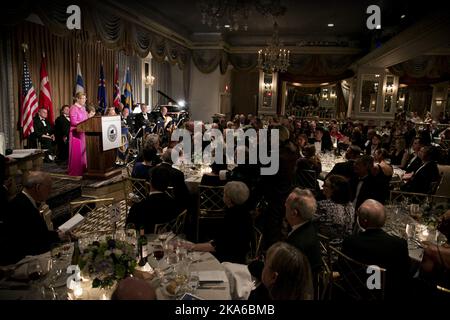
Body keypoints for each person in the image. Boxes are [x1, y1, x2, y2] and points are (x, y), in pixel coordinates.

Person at [342, 199, 411, 299]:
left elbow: (343, 268)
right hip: (388, 294)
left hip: (355, 291)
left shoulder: (350, 242)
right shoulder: (399, 244)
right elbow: (404, 275)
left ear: (363, 221)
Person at [1, 171, 71, 264]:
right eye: (49, 187)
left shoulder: (24, 200)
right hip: (22, 261)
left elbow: (36, 233)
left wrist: (57, 234)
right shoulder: (21, 207)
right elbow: (34, 241)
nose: (51, 191)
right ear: (38, 188)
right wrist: (58, 237)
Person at [189, 181, 253, 264]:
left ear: (229, 199)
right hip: (239, 253)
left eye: (224, 194)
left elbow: (217, 246)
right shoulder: (244, 211)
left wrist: (191, 247)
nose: (223, 196)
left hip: (229, 260)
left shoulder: (232, 217)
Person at [284, 188, 322, 274]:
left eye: (287, 203)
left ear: (294, 213)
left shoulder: (296, 244)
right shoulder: (310, 227)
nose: (284, 205)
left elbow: (284, 276)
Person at [315, 175, 354, 243]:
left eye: (325, 185)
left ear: (334, 190)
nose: (322, 186)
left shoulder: (322, 205)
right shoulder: (351, 206)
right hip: (346, 246)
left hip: (326, 248)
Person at [68, 92, 88, 176]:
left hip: (83, 132)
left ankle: (84, 168)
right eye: (82, 98)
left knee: (83, 152)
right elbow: (73, 121)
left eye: (85, 98)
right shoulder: (73, 108)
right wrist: (84, 122)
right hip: (76, 133)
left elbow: (86, 119)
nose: (84, 100)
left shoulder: (83, 108)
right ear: (77, 99)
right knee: (77, 152)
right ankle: (76, 170)